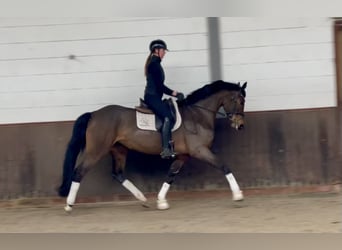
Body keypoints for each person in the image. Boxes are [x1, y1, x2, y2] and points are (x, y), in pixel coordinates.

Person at [143, 39, 185, 159]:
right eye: (163, 51)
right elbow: (160, 86)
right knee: (168, 117)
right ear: (156, 50)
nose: (165, 53)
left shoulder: (155, 64)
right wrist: (175, 93)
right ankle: (166, 149)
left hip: (154, 96)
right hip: (152, 97)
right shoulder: (154, 65)